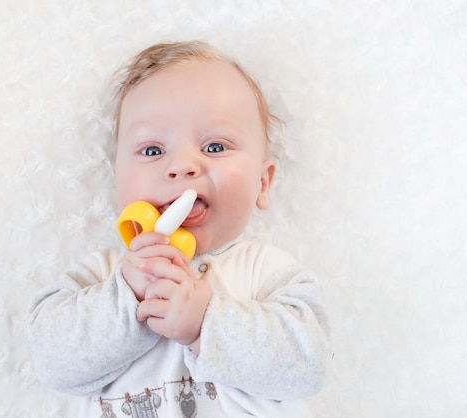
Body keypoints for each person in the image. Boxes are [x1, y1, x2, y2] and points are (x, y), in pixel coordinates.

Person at [27, 40, 329, 417]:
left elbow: (307, 368)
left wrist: (206, 323)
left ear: (262, 183)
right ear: (117, 180)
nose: (183, 166)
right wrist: (128, 298)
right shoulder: (103, 274)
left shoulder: (267, 273)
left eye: (215, 147)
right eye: (153, 151)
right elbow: (51, 361)